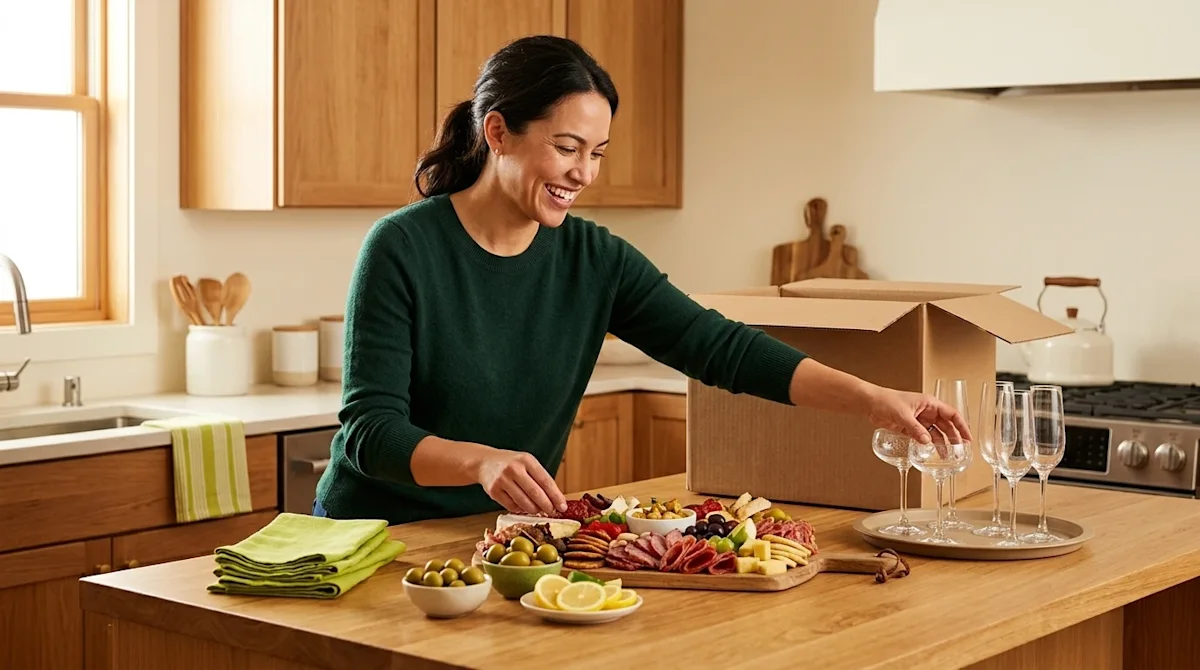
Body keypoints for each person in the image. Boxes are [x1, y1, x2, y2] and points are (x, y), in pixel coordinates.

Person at [312, 35, 970, 525]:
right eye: (567, 148)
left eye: (596, 153)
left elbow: (721, 348)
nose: (584, 173)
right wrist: (481, 461)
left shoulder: (594, 259)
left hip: (498, 536)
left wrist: (871, 398)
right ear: (498, 133)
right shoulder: (404, 247)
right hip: (372, 536)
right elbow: (371, 432)